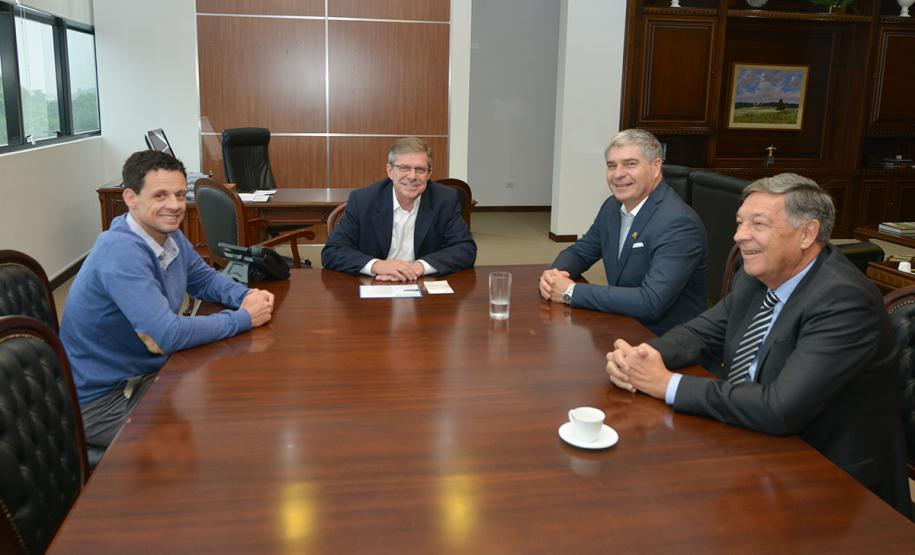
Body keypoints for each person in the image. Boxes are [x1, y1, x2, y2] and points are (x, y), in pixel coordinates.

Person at [605, 173, 912, 518]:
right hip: (756, 442)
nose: (739, 235)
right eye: (739, 223)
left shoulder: (843, 300)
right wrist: (645, 356)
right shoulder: (756, 275)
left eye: (758, 224)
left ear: (807, 233)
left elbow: (781, 408)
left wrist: (666, 384)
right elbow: (702, 332)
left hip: (832, 484)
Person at [60, 150, 275, 449]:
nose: (174, 206)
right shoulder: (121, 251)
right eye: (160, 195)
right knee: (218, 434)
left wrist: (246, 295)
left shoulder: (166, 235)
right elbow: (167, 334)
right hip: (105, 401)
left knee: (237, 401)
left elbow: (204, 279)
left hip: (145, 375)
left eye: (179, 194)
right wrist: (244, 318)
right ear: (131, 198)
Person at [539, 129, 707, 335]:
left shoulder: (678, 223)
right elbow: (580, 252)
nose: (618, 174)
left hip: (663, 340)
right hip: (622, 323)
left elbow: (651, 302)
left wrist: (570, 292)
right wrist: (555, 275)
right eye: (612, 166)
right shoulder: (612, 206)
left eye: (630, 164)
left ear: (655, 167)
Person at [321, 137, 476, 280]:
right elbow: (333, 251)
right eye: (404, 168)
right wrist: (378, 266)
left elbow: (465, 249)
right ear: (390, 171)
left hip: (422, 283)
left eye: (420, 169)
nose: (412, 176)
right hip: (375, 284)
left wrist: (419, 267)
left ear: (429, 174)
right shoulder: (363, 200)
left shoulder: (445, 199)